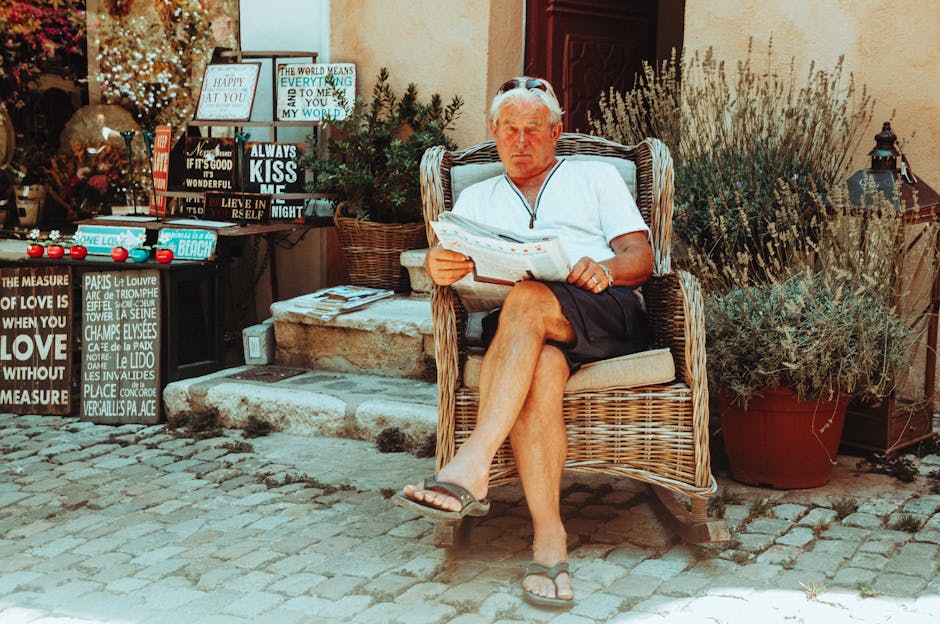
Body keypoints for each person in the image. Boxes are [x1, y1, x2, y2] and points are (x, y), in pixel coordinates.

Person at [394, 76, 654, 608]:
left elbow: (641, 258)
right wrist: (436, 265)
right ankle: (550, 541)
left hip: (602, 310)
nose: (520, 140)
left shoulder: (595, 177)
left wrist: (602, 268)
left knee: (533, 296)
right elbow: (460, 272)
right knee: (540, 363)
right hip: (520, 327)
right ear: (493, 131)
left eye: (533, 128)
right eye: (509, 129)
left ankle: (472, 463)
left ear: (556, 131)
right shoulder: (477, 197)